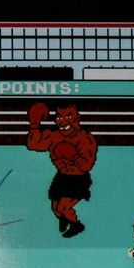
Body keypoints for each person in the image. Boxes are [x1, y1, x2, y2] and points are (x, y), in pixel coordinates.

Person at [25, 100, 98, 237]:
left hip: (78, 179)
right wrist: (34, 124)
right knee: (55, 208)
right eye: (59, 117)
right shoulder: (54, 136)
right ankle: (64, 218)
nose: (63, 121)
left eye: (68, 116)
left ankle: (77, 225)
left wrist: (72, 156)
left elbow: (87, 164)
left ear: (77, 118)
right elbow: (33, 144)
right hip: (61, 177)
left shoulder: (85, 138)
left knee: (63, 207)